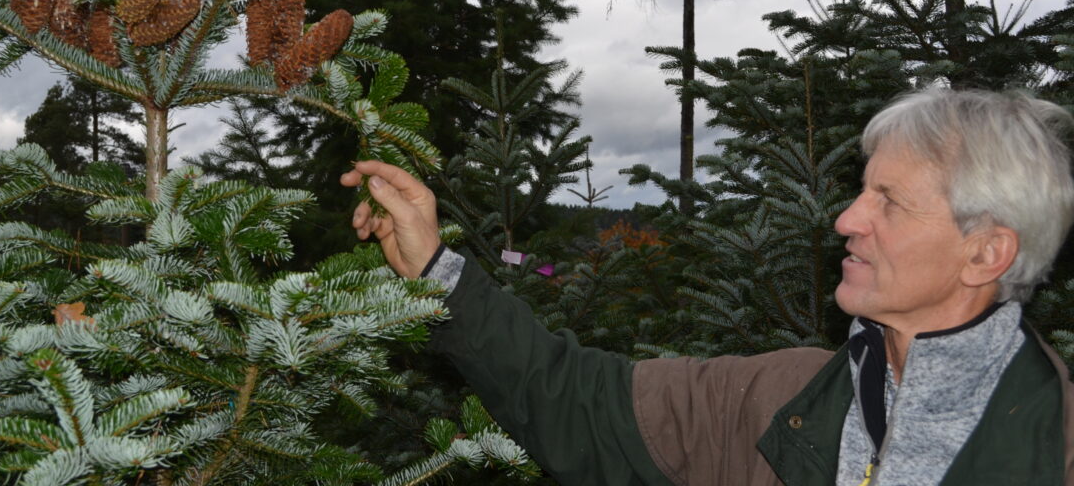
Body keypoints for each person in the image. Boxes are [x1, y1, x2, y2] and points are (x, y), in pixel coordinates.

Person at [340, 87, 1074, 485]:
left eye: (890, 200)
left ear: (985, 254)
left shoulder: (1057, 451)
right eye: (860, 190)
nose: (847, 218)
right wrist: (439, 272)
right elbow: (575, 400)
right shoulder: (777, 401)